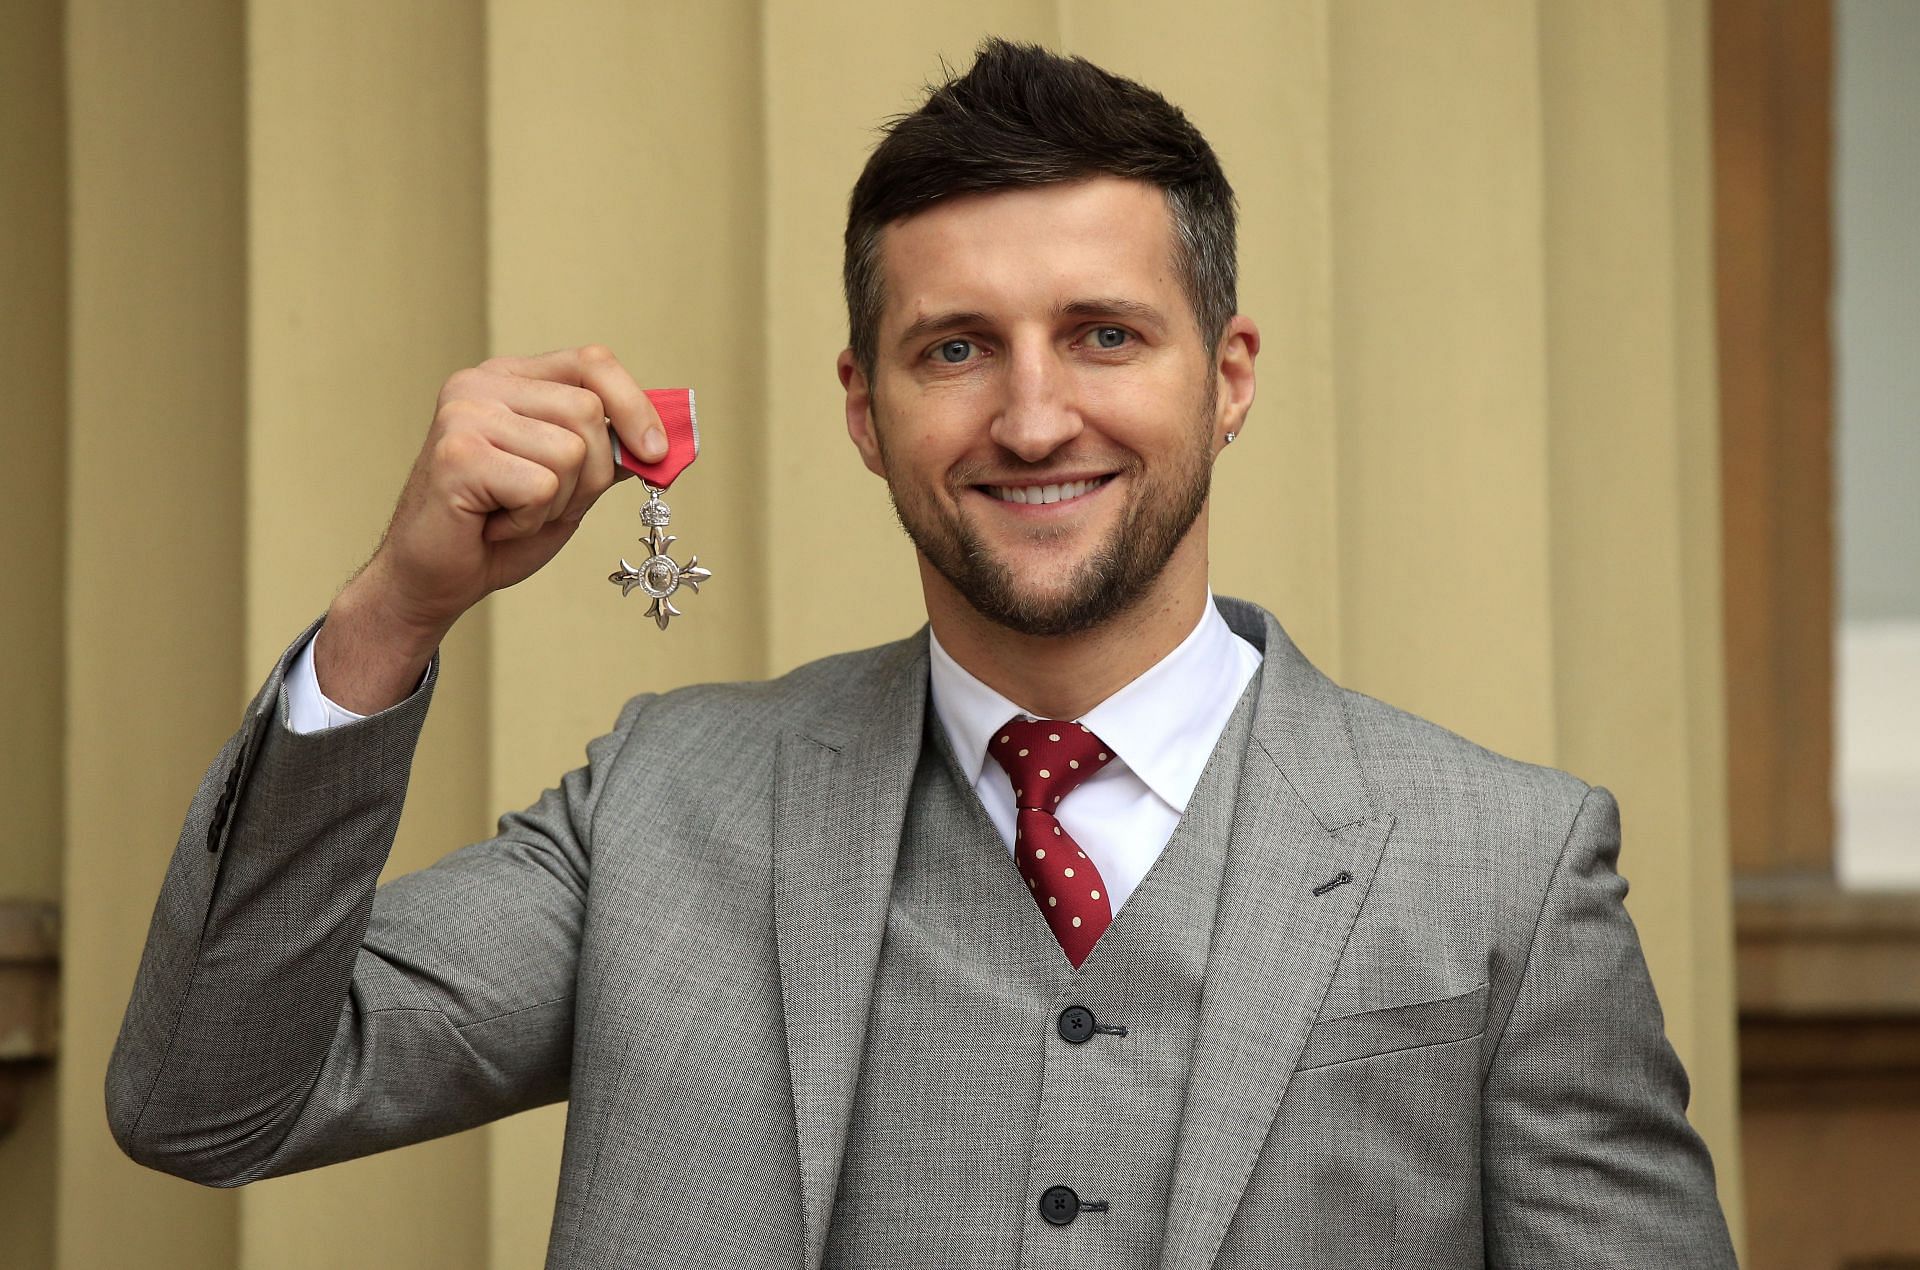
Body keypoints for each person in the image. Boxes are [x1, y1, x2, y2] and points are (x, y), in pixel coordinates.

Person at [108, 38, 1736, 1268]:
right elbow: (207, 1099)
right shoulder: (667, 807)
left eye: (1105, 334)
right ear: (862, 409)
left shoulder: (1505, 867)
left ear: (1228, 374)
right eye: (955, 349)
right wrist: (397, 608)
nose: (1034, 417)